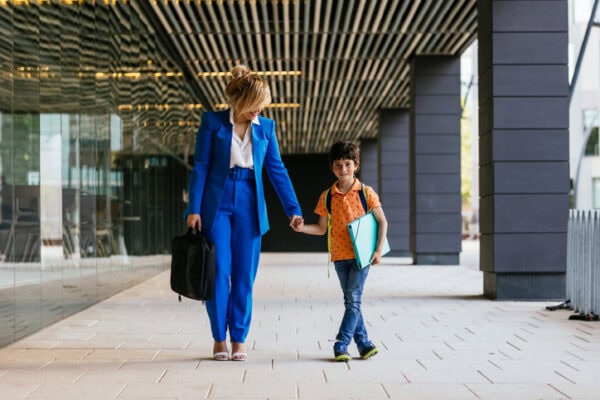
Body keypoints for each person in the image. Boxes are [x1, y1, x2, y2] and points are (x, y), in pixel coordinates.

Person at [185, 64, 303, 361]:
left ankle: (239, 338)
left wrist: (293, 209)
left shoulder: (266, 128)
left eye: (262, 105)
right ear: (240, 100)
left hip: (250, 200)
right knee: (218, 272)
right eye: (256, 105)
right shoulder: (212, 122)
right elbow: (200, 166)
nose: (259, 110)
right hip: (217, 203)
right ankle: (218, 339)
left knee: (244, 277)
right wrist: (193, 209)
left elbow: (277, 169)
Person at [292, 141, 388, 361]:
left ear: (356, 165)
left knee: (353, 300)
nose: (343, 169)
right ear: (332, 167)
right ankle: (363, 344)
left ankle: (341, 343)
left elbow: (383, 221)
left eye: (347, 164)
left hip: (362, 255)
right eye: (338, 165)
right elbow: (321, 228)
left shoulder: (366, 192)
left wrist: (378, 250)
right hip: (339, 256)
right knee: (351, 300)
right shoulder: (327, 196)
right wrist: (301, 228)